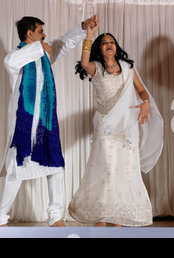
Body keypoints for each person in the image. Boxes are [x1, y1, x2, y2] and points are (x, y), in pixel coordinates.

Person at [0, 16, 97, 227]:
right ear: (30, 34)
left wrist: (83, 28)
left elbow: (63, 43)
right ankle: (1, 217)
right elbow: (9, 62)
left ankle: (55, 216)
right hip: (25, 125)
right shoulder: (18, 57)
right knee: (17, 169)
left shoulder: (44, 54)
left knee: (56, 167)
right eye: (40, 31)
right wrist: (39, 47)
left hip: (46, 124)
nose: (44, 35)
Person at [68, 16, 163, 227]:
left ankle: (119, 218)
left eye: (111, 42)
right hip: (106, 125)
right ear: (99, 49)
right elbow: (83, 63)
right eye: (104, 43)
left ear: (116, 47)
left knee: (126, 168)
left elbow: (140, 89)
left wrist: (146, 102)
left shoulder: (127, 67)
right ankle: (103, 217)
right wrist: (89, 35)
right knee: (108, 169)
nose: (109, 45)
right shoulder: (95, 68)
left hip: (128, 126)